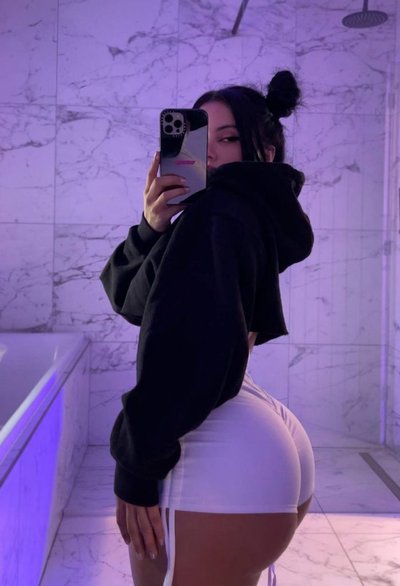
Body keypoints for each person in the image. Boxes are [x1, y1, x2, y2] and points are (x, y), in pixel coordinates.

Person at [100, 70, 315, 586]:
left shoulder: (214, 214)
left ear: (264, 152)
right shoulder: (235, 213)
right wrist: (152, 226)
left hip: (215, 444)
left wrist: (136, 463)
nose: (210, 152)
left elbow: (186, 352)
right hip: (253, 428)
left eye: (228, 138)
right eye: (201, 137)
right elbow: (132, 302)